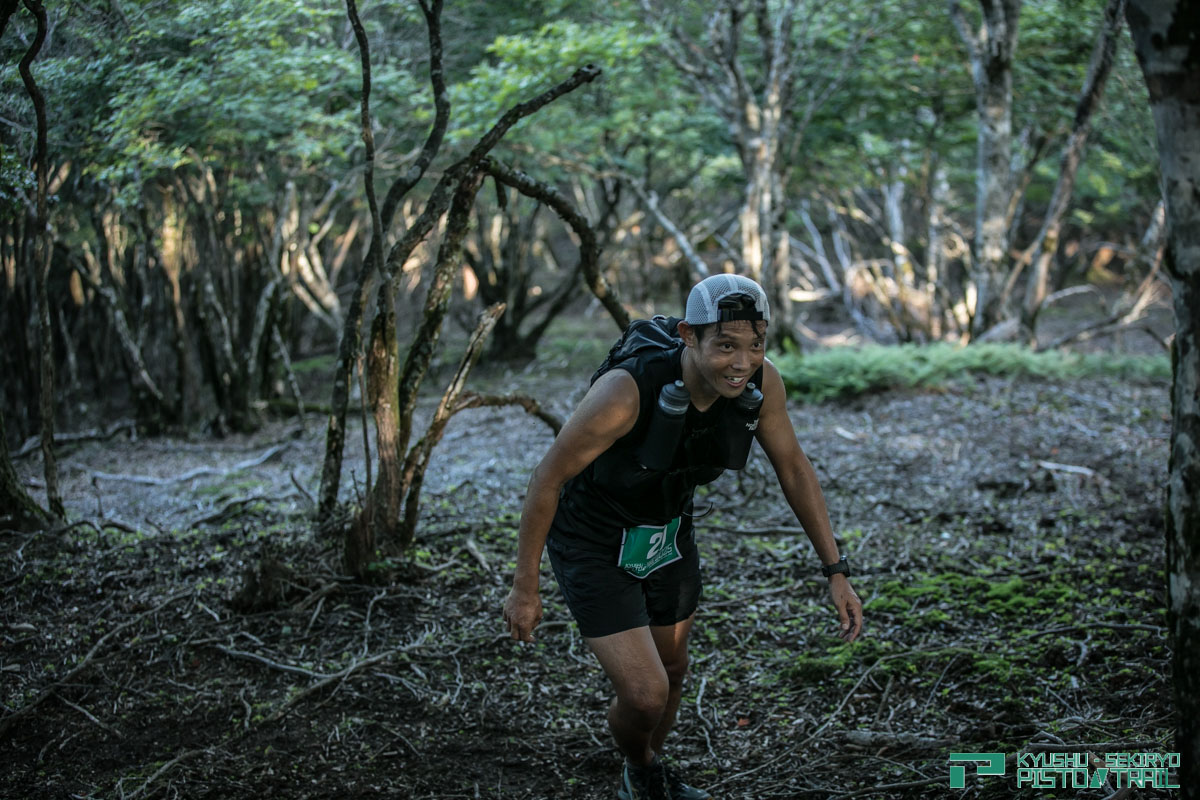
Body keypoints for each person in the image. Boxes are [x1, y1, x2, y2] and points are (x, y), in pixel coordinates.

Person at [502, 274, 863, 800]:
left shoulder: (762, 385)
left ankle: (643, 777)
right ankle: (642, 762)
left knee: (672, 669)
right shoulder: (626, 393)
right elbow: (547, 478)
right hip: (593, 537)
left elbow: (793, 467)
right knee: (646, 694)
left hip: (667, 530)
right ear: (689, 336)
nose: (743, 362)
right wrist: (525, 586)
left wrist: (835, 571)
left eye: (756, 344)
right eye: (726, 345)